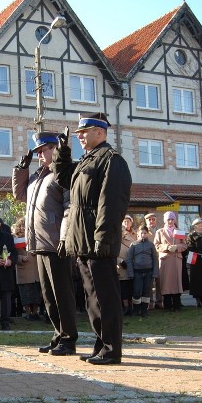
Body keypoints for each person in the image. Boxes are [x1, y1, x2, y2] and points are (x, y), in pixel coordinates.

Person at [53, 112, 132, 364]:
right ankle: (101, 345)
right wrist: (62, 152)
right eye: (77, 134)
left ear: (100, 132)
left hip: (99, 240)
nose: (80, 137)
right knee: (92, 298)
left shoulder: (111, 160)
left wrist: (103, 236)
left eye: (84, 132)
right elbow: (64, 178)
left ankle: (111, 349)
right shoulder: (87, 161)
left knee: (106, 297)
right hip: (83, 239)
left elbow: (112, 203)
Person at [12, 130, 79, 354]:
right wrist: (21, 170)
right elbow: (20, 195)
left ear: (55, 149)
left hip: (55, 243)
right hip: (39, 243)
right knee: (49, 296)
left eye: (44, 151)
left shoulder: (63, 174)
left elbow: (70, 208)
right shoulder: (37, 176)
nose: (40, 156)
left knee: (62, 294)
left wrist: (64, 237)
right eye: (38, 152)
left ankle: (69, 339)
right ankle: (58, 335)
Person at [153, 211, 188, 311]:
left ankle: (177, 304)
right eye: (168, 219)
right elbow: (156, 245)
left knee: (176, 282)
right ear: (165, 220)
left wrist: (177, 247)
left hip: (176, 260)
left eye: (172, 219)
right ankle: (167, 305)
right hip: (165, 260)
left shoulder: (179, 231)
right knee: (166, 283)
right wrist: (167, 247)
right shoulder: (160, 232)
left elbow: (184, 245)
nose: (170, 221)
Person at [12, 218, 42, 321]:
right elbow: (12, 255)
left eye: (25, 225)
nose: (23, 227)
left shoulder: (35, 237)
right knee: (25, 294)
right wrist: (21, 258)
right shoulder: (14, 239)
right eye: (21, 225)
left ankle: (35, 313)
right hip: (23, 270)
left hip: (35, 269)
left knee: (36, 293)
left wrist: (37, 253)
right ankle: (28, 313)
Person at [126, 225, 159, 317]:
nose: (143, 235)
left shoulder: (151, 245)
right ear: (138, 234)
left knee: (146, 292)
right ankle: (136, 310)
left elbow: (155, 259)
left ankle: (144, 311)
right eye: (141, 233)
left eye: (145, 233)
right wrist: (131, 273)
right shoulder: (134, 245)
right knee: (137, 291)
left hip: (149, 272)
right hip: (137, 272)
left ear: (147, 234)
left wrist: (155, 273)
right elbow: (129, 259)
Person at [117, 214, 137, 316]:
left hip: (131, 267)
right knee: (123, 289)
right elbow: (112, 254)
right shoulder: (114, 241)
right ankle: (125, 307)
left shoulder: (129, 238)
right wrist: (119, 261)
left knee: (130, 288)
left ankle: (130, 306)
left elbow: (135, 248)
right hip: (120, 268)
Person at [142, 212, 163, 309]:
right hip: (148, 260)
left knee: (159, 281)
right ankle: (150, 302)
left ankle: (159, 301)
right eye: (149, 219)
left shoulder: (161, 231)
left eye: (153, 219)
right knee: (149, 282)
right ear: (146, 221)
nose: (151, 221)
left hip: (159, 259)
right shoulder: (143, 232)